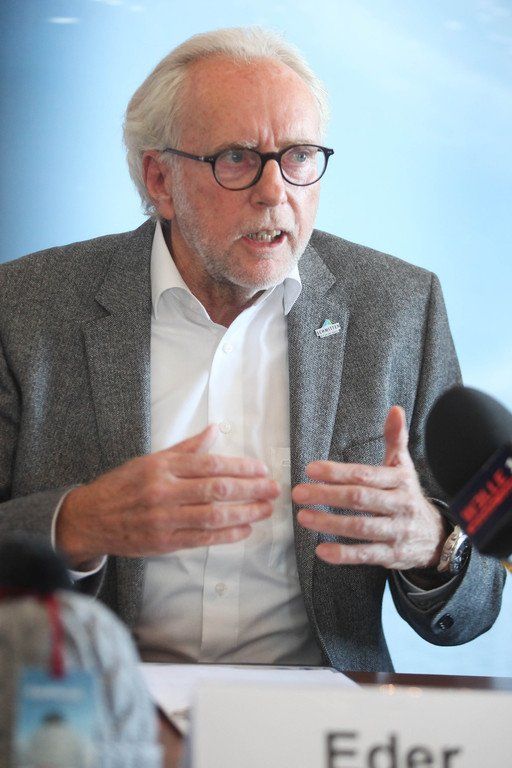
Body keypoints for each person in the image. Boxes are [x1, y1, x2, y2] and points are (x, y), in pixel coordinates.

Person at [0, 27, 504, 672]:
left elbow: (476, 603)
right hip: (95, 702)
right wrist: (77, 523)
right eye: (237, 159)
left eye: (299, 156)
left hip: (318, 709)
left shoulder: (400, 308)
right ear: (159, 179)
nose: (275, 192)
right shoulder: (27, 307)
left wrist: (432, 544)